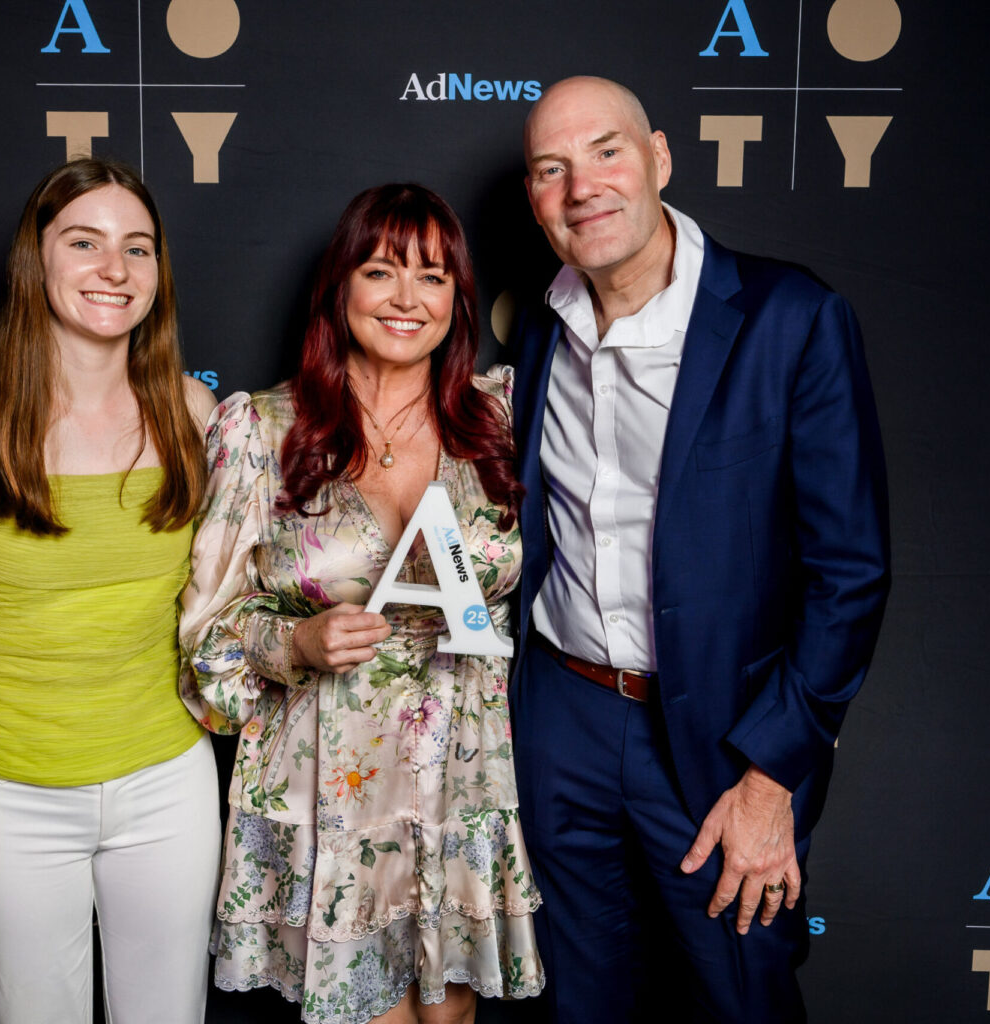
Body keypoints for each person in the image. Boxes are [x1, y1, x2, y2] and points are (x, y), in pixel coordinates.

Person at [508, 77, 890, 1022]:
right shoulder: (542, 329)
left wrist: (772, 776)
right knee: (580, 1001)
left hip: (724, 738)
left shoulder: (790, 318)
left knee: (739, 997)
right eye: (552, 169)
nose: (582, 187)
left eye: (606, 152)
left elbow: (849, 575)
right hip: (561, 716)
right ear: (534, 197)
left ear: (660, 158)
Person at [180, 183, 543, 1024]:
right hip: (331, 785)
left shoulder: (502, 417)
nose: (407, 298)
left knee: (452, 1016)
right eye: (381, 271)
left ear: (459, 297)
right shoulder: (262, 429)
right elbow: (205, 637)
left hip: (464, 772)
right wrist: (294, 644)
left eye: (433, 276)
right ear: (339, 286)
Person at [0, 157, 220, 1023]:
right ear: (36, 259)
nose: (115, 268)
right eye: (84, 242)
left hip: (168, 783)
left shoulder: (194, 413)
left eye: (137, 248)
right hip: (11, 792)